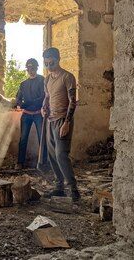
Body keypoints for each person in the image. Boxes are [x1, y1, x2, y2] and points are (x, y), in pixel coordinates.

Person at [41, 47, 80, 201]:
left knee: (61, 155)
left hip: (63, 120)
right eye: (46, 64)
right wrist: (43, 108)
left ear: (58, 59)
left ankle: (73, 189)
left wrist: (67, 122)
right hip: (50, 120)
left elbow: (72, 102)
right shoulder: (47, 79)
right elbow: (47, 97)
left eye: (52, 63)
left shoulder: (67, 77)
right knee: (52, 155)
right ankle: (59, 188)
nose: (49, 66)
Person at [15, 58, 47, 170]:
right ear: (27, 69)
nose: (31, 70)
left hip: (38, 113)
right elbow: (18, 99)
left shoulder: (42, 80)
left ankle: (43, 163)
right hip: (26, 114)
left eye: (33, 68)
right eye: (29, 68)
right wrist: (21, 104)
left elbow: (43, 98)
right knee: (23, 139)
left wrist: (27, 103)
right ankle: (20, 162)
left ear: (37, 68)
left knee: (41, 138)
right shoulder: (23, 84)